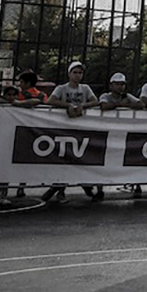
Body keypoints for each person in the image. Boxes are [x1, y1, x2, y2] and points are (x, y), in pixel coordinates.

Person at [44, 63, 102, 203]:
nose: (77, 75)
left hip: (80, 129)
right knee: (64, 158)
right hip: (63, 127)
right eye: (75, 72)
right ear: (69, 74)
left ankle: (84, 186)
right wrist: (68, 105)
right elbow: (50, 101)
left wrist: (82, 106)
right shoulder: (62, 88)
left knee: (80, 158)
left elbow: (95, 101)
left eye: (80, 73)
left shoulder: (85, 88)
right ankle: (59, 190)